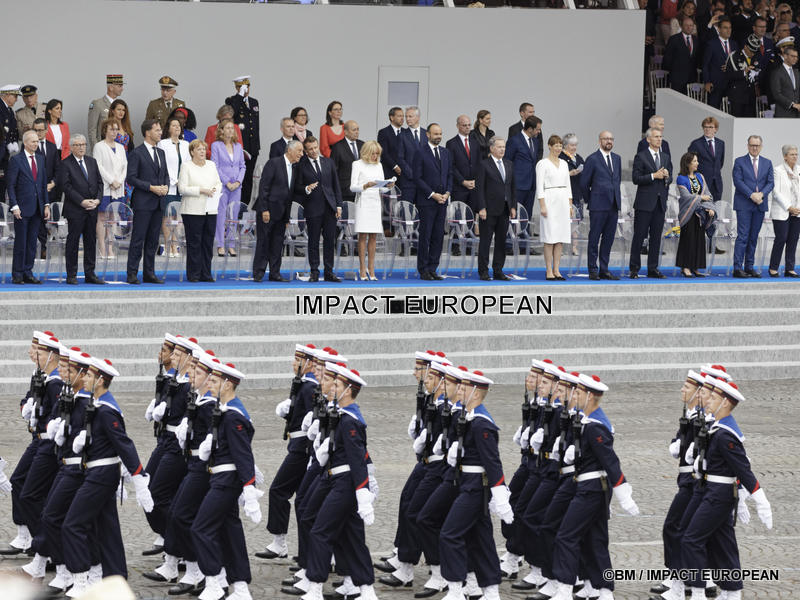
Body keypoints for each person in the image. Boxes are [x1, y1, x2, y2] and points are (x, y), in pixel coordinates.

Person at [62, 357, 154, 597]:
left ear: (101, 380)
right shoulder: (99, 403)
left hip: (101, 474)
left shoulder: (106, 409)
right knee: (106, 527)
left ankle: (82, 578)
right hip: (98, 471)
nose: (85, 379)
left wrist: (138, 476)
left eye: (90, 377)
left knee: (72, 524)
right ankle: (115, 575)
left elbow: (123, 443)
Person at [548, 374, 640, 600]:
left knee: (566, 536)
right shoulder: (587, 421)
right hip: (589, 486)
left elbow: (610, 461)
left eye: (578, 393)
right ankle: (601, 587)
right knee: (594, 538)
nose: (574, 396)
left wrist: (624, 494)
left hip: (592, 488)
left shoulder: (595, 427)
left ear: (589, 397)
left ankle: (565, 588)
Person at [680, 378, 773, 600]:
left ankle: (699, 592)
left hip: (718, 496)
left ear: (724, 403)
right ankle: (732, 591)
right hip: (712, 492)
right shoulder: (717, 428)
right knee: (724, 541)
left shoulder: (725, 434)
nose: (708, 400)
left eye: (713, 397)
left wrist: (760, 500)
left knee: (691, 539)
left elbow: (743, 468)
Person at [303, 363, 379, 600]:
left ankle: (315, 586)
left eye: (336, 384)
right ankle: (366, 589)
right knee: (351, 536)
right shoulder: (340, 415)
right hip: (333, 478)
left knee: (320, 531)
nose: (330, 386)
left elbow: (358, 460)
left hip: (345, 482)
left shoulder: (350, 421)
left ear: (347, 390)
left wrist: (363, 492)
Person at [439, 368, 511, 600]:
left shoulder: (482, 424)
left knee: (449, 534)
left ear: (476, 393)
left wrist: (500, 493)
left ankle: (456, 589)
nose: (459, 390)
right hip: (466, 483)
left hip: (475, 486)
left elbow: (493, 462)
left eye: (463, 388)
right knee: (481, 539)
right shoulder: (467, 418)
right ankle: (490, 591)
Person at [191, 361, 260, 600]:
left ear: (227, 384)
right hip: (219, 477)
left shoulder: (232, 416)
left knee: (200, 528)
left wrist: (249, 488)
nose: (209, 383)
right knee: (231, 533)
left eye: (214, 381)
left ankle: (214, 583)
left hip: (226, 480)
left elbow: (243, 454)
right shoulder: (224, 410)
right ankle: (240, 588)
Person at [252, 140, 303, 282]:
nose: (301, 154)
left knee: (277, 244)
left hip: (282, 213)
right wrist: (264, 209)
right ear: (290, 150)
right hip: (268, 211)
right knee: (264, 242)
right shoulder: (274, 163)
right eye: (299, 151)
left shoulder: (294, 167)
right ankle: (258, 272)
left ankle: (275, 273)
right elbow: (264, 187)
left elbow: (289, 194)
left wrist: (287, 218)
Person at [126, 119, 169, 285]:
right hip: (143, 201)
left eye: (160, 130)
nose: (160, 132)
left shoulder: (161, 152)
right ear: (147, 132)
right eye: (157, 130)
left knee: (153, 240)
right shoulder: (137, 153)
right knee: (138, 239)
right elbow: (131, 177)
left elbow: (164, 173)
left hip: (159, 202)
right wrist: (151, 187)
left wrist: (165, 186)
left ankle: (149, 273)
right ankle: (132, 273)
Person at [58, 134, 105, 285]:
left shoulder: (92, 162)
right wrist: (82, 201)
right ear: (71, 147)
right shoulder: (66, 164)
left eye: (83, 144)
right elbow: (66, 186)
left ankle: (90, 273)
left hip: (92, 208)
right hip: (75, 209)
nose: (81, 147)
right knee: (73, 241)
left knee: (91, 241)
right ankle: (71, 274)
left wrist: (97, 200)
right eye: (78, 145)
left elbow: (99, 183)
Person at [295, 136, 343, 282]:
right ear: (306, 151)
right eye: (310, 149)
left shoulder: (328, 162)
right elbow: (296, 187)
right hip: (313, 208)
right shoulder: (301, 166)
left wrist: (338, 205)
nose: (314, 151)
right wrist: (306, 188)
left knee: (330, 241)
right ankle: (314, 272)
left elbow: (336, 185)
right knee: (313, 242)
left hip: (330, 207)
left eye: (315, 147)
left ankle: (329, 272)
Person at [6, 130, 49, 284]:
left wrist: (46, 205)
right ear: (25, 143)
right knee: (21, 242)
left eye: (37, 141)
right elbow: (10, 185)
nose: (36, 144)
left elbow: (43, 184)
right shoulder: (16, 160)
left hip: (37, 208)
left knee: (32, 242)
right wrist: (14, 205)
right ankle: (17, 273)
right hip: (22, 208)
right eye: (33, 141)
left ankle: (28, 272)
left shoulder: (41, 159)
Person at [629, 128, 673, 279]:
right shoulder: (641, 156)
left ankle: (653, 268)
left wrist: (667, 176)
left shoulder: (665, 157)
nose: (659, 139)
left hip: (660, 203)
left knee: (656, 237)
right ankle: (634, 268)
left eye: (661, 136)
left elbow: (670, 177)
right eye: (656, 137)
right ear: (648, 139)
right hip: (644, 203)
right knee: (639, 236)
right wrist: (654, 176)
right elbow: (636, 178)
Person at [581, 131, 622, 280]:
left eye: (611, 138)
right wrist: (590, 199)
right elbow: (584, 183)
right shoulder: (592, 159)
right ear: (599, 141)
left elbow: (616, 180)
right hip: (598, 205)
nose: (609, 141)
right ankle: (593, 269)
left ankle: (604, 269)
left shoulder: (617, 159)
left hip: (613, 205)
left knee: (608, 239)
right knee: (594, 238)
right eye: (606, 139)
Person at [178, 139, 221, 282]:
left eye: (204, 149)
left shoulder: (211, 165)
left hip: (210, 209)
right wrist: (201, 190)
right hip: (192, 210)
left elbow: (218, 182)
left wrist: (215, 189)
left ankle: (206, 273)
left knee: (208, 242)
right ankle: (194, 274)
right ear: (192, 152)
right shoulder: (186, 166)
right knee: (194, 242)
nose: (202, 152)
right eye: (199, 149)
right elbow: (182, 188)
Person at [414, 124, 452, 281]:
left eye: (440, 133)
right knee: (426, 236)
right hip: (427, 201)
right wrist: (432, 194)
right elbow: (417, 177)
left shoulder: (445, 152)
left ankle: (433, 268)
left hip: (442, 201)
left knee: (438, 236)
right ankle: (423, 269)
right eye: (435, 133)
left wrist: (447, 193)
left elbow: (449, 174)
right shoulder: (420, 152)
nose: (438, 136)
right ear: (428, 134)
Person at [732, 135, 774, 277]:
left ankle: (749, 266)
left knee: (753, 237)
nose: (754, 148)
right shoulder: (739, 161)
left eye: (757, 145)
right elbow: (738, 181)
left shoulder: (767, 163)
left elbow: (770, 183)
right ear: (748, 145)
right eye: (752, 145)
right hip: (744, 204)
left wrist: (761, 195)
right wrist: (752, 195)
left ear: (761, 146)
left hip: (760, 204)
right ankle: (737, 268)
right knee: (743, 236)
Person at [476, 136, 515, 281]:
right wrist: (481, 207)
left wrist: (513, 206)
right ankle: (483, 271)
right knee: (485, 241)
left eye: (504, 147)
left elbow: (512, 187)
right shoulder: (484, 164)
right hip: (488, 209)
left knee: (501, 242)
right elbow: (479, 189)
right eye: (499, 147)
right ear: (492, 148)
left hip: (504, 208)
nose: (502, 149)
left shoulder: (509, 164)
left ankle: (498, 270)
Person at [350, 140, 391, 280]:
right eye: (373, 153)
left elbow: (381, 186)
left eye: (377, 154)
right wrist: (365, 185)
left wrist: (388, 186)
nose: (375, 156)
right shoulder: (357, 164)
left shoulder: (378, 165)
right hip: (363, 202)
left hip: (375, 202)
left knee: (373, 236)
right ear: (367, 152)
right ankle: (362, 268)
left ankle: (371, 268)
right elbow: (352, 187)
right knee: (363, 236)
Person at [536, 135, 572, 280]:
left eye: (560, 146)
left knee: (560, 238)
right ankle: (548, 270)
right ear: (549, 146)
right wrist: (542, 205)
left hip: (563, 200)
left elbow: (568, 185)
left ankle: (557, 269)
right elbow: (539, 186)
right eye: (555, 145)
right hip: (550, 200)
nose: (558, 148)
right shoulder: (542, 163)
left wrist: (570, 204)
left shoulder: (564, 163)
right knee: (550, 237)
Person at [675, 152, 717, 277]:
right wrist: (700, 198)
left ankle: (695, 267)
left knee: (699, 241)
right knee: (688, 240)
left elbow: (708, 195)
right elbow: (686, 197)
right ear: (688, 163)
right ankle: (686, 267)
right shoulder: (681, 178)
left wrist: (709, 208)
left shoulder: (700, 177)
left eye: (697, 161)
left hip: (700, 215)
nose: (697, 163)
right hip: (688, 214)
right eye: (694, 161)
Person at [92, 118, 128, 259]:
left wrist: (119, 181)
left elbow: (125, 166)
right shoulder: (99, 146)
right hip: (105, 187)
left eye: (116, 129)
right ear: (105, 130)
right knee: (102, 217)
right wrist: (111, 180)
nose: (114, 132)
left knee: (113, 217)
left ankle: (110, 247)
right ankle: (102, 247)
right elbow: (98, 166)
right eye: (111, 129)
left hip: (118, 187)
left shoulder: (120, 147)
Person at [211, 118, 245, 258]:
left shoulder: (238, 146)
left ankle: (231, 245)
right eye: (228, 128)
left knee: (233, 215)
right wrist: (226, 182)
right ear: (221, 130)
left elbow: (242, 166)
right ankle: (220, 244)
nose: (231, 130)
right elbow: (215, 165)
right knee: (221, 214)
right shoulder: (216, 145)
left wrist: (238, 181)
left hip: (236, 186)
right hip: (222, 185)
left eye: (233, 128)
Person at [157, 117, 191, 258]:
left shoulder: (185, 144)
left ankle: (175, 246)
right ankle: (168, 244)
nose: (177, 127)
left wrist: (182, 181)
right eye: (173, 125)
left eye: (179, 125)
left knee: (178, 217)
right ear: (168, 128)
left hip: (182, 187)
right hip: (169, 185)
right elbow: (161, 164)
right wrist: (173, 180)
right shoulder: (162, 143)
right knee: (168, 216)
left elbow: (188, 164)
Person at [226, 76, 260, 209]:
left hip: (252, 147)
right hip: (240, 148)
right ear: (237, 88)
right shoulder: (231, 101)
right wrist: (239, 96)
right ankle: (234, 207)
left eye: (247, 87)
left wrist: (257, 145)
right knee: (237, 178)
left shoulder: (254, 102)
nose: (246, 90)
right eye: (241, 87)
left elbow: (255, 125)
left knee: (248, 180)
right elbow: (231, 113)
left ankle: (244, 207)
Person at [505, 116, 543, 232]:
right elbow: (507, 161)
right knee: (514, 214)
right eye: (537, 129)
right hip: (518, 185)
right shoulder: (514, 140)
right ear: (530, 129)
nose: (539, 132)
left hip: (531, 184)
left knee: (527, 215)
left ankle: (524, 246)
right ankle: (509, 244)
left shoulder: (535, 142)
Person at [768, 144, 800, 276]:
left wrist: (796, 208)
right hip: (782, 211)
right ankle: (773, 268)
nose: (795, 157)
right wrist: (789, 207)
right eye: (792, 154)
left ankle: (789, 268)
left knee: (793, 239)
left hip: (797, 211)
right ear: (785, 156)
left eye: (796, 154)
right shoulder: (778, 170)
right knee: (781, 238)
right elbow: (775, 192)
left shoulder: (798, 170)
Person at [32, 117, 60, 258]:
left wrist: (53, 183)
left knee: (49, 219)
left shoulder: (52, 146)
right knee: (39, 220)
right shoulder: (29, 147)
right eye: (35, 130)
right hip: (36, 191)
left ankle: (46, 246)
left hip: (51, 189)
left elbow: (57, 168)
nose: (38, 133)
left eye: (40, 130)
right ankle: (42, 248)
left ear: (46, 130)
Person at [447, 115, 480, 212]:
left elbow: (479, 163)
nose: (467, 127)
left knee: (471, 217)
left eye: (469, 125)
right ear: (457, 126)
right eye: (464, 125)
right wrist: (463, 181)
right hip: (459, 188)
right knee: (458, 216)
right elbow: (451, 166)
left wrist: (476, 180)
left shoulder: (475, 143)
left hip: (473, 187)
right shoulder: (451, 143)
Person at [703, 17, 738, 108]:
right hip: (715, 84)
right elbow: (705, 64)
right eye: (725, 28)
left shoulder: (734, 44)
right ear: (719, 29)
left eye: (730, 28)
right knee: (714, 109)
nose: (728, 30)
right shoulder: (711, 44)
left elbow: (737, 63)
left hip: (731, 84)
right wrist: (707, 81)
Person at [559, 134, 585, 256]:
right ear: (565, 145)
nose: (574, 147)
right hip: (565, 193)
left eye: (576, 145)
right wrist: (570, 173)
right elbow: (557, 175)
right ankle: (561, 247)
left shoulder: (579, 158)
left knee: (576, 222)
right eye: (572, 145)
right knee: (564, 221)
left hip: (577, 192)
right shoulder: (560, 157)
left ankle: (574, 247)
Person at [725, 34, 762, 116]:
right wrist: (744, 72)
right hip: (738, 96)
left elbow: (759, 72)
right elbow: (728, 75)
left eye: (754, 52)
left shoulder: (756, 57)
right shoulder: (734, 56)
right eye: (751, 51)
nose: (752, 54)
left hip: (751, 97)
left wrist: (757, 75)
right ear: (745, 46)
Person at [330, 120, 364, 205]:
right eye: (354, 130)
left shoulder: (363, 145)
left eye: (358, 129)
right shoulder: (337, 147)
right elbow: (333, 171)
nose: (357, 132)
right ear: (345, 132)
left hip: (361, 190)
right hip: (345, 191)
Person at [87, 74, 124, 152]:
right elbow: (92, 130)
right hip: (103, 148)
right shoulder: (97, 104)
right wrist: (96, 149)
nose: (122, 89)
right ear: (110, 87)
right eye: (119, 86)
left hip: (118, 149)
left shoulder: (120, 105)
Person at [664, 16, 700, 94]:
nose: (689, 27)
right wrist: (674, 73)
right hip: (677, 79)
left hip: (691, 78)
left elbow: (697, 58)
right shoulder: (674, 39)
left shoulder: (696, 40)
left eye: (691, 25)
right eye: (686, 25)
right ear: (681, 26)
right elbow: (667, 59)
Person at [400, 106, 426, 205]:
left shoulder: (426, 134)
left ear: (418, 117)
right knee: (407, 211)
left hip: (425, 181)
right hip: (408, 181)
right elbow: (400, 158)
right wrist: (412, 174)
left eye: (410, 116)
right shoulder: (402, 135)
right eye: (406, 116)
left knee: (423, 210)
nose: (407, 119)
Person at [770, 45, 800, 116]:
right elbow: (776, 94)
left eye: (796, 57)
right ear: (785, 56)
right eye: (793, 56)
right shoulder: (777, 72)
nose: (795, 59)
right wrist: (792, 105)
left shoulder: (797, 73)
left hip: (797, 114)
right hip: (783, 113)